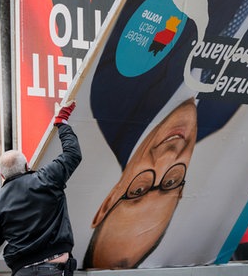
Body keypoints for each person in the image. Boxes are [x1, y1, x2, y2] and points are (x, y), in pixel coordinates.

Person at [83, 98, 197, 269]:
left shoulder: (109, 98)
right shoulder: (224, 113)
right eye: (171, 180)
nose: (168, 157)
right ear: (180, 191)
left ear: (107, 203)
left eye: (138, 190)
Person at [0, 101, 81, 276]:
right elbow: (73, 154)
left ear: (3, 176)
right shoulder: (47, 178)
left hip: (22, 271)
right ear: (27, 166)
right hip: (56, 269)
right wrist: (61, 121)